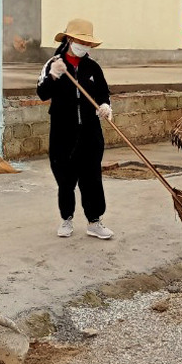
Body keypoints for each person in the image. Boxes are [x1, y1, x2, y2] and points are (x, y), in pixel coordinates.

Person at [37, 18, 115, 240]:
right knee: (65, 178)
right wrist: (54, 75)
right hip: (63, 131)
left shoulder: (93, 67)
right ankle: (66, 219)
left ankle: (94, 221)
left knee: (92, 177)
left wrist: (105, 106)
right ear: (70, 39)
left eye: (88, 43)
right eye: (81, 41)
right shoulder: (53, 63)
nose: (85, 46)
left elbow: (103, 93)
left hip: (90, 131)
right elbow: (42, 93)